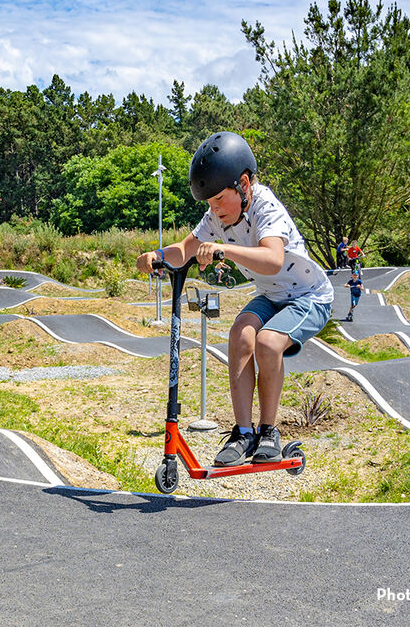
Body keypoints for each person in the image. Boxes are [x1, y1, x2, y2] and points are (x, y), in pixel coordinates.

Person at [137, 132, 334, 466]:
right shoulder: (217, 215)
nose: (214, 209)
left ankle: (268, 430)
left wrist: (223, 249)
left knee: (268, 344)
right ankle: (243, 433)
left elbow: (272, 259)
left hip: (308, 296)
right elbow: (185, 248)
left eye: (218, 200)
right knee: (240, 334)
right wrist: (155, 254)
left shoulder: (265, 206)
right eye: (209, 204)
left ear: (243, 184)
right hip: (271, 295)